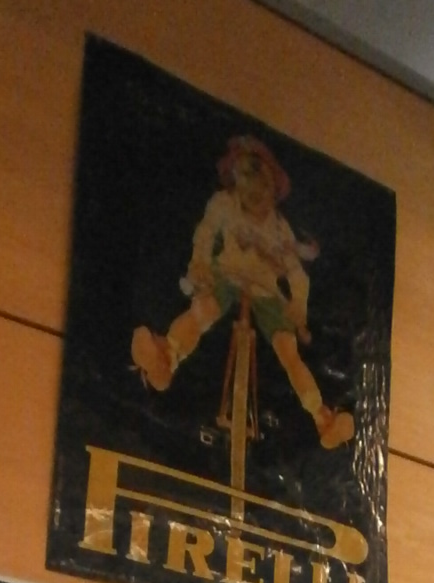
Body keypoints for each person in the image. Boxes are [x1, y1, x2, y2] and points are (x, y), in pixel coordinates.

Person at [130, 134, 355, 450]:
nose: (255, 199)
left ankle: (322, 417)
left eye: (262, 191)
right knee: (204, 309)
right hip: (228, 275)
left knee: (288, 351)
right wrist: (199, 263)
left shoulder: (280, 228)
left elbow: (297, 275)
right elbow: (206, 233)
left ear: (273, 189)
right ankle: (166, 356)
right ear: (236, 184)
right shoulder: (223, 204)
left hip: (266, 293)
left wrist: (299, 307)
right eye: (248, 190)